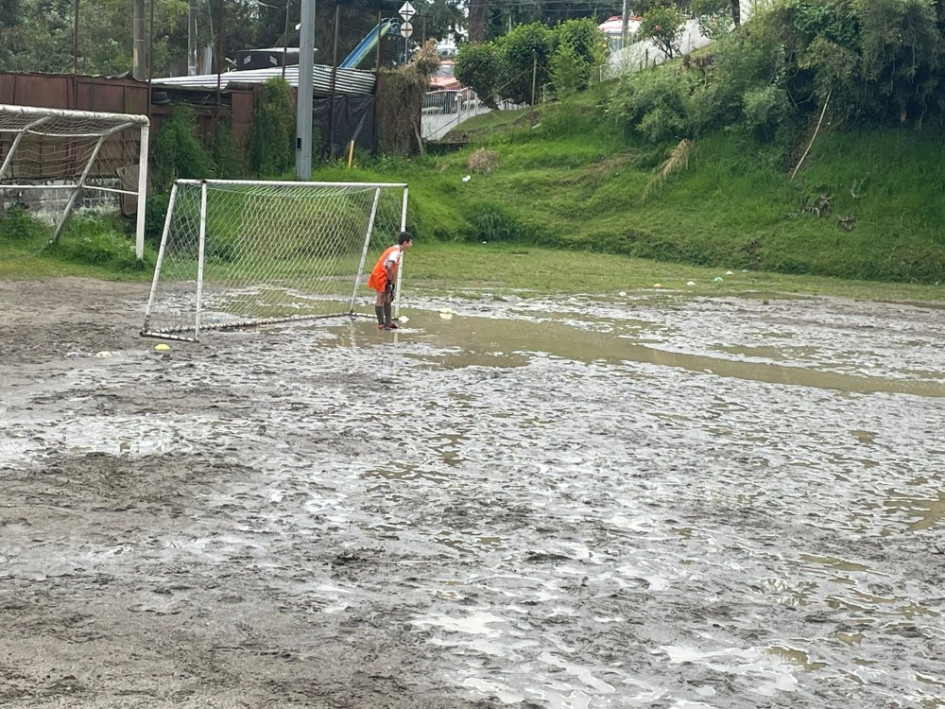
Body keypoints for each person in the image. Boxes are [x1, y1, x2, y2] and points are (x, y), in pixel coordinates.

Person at [367, 230, 413, 330]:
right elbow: (389, 267)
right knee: (380, 298)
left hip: (386, 276)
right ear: (405, 243)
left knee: (388, 298)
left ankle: (389, 323)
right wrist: (388, 281)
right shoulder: (395, 252)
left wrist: (392, 285)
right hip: (380, 275)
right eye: (410, 242)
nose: (411, 244)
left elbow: (393, 269)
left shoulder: (398, 252)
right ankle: (381, 323)